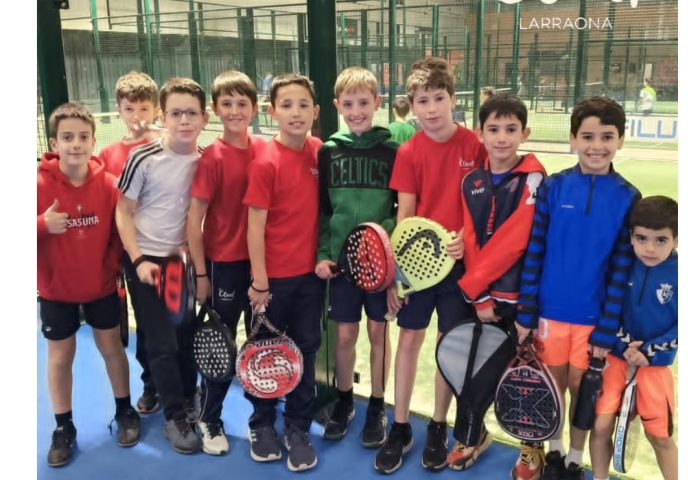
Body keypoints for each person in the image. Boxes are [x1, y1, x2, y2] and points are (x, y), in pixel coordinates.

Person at [514, 96, 641, 480]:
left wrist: (606, 328)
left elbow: (622, 269)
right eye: (587, 137)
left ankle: (573, 459)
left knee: (581, 391)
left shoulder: (628, 196)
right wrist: (526, 311)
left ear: (621, 140)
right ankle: (553, 454)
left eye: (607, 137)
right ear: (572, 139)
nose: (596, 146)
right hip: (549, 315)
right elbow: (535, 250)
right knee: (553, 388)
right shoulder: (554, 187)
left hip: (592, 321)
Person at [374, 56, 487, 474]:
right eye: (423, 101)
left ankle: (438, 426)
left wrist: (466, 238)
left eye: (439, 98)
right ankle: (400, 426)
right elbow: (405, 217)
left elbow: (485, 208)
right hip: (418, 267)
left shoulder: (475, 146)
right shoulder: (408, 152)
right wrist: (397, 275)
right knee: (409, 339)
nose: (432, 108)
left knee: (448, 346)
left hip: (460, 268)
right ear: (412, 106)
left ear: (454, 99)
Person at [38, 103, 140, 467]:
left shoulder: (110, 185)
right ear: (54, 143)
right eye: (67, 137)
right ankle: (63, 425)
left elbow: (117, 234)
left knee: (112, 348)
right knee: (60, 356)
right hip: (56, 291)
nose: (76, 144)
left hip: (100, 287)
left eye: (83, 137)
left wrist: (109, 270)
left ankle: (125, 410)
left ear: (94, 141)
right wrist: (41, 225)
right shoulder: (36, 184)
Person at [449, 94, 546, 471]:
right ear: (480, 134)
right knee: (473, 370)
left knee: (526, 377)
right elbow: (471, 239)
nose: (502, 137)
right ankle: (472, 436)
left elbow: (516, 240)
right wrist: (479, 296)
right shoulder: (471, 181)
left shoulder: (534, 177)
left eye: (511, 129)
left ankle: (531, 448)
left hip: (522, 298)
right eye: (493, 129)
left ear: (525, 133)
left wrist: (475, 285)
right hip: (481, 299)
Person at [115, 77, 210, 454]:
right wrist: (138, 260)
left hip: (180, 262)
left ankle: (187, 397)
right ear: (163, 117)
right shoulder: (143, 158)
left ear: (204, 118)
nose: (184, 120)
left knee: (184, 335)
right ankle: (174, 417)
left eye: (191, 113)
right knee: (160, 340)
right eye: (176, 113)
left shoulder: (206, 160)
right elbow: (123, 212)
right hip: (145, 261)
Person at [243, 73, 325, 472]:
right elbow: (254, 226)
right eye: (287, 105)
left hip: (310, 279)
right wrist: (260, 281)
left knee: (305, 351)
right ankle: (261, 424)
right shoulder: (265, 161)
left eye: (303, 104)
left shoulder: (319, 152)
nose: (296, 112)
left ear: (316, 111)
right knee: (266, 353)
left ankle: (297, 427)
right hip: (272, 282)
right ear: (271, 112)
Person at [314, 66, 398, 448]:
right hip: (342, 265)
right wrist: (324, 253)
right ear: (337, 106)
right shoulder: (329, 151)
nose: (356, 111)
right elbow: (324, 211)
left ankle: (377, 406)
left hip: (379, 265)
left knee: (378, 332)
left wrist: (381, 239)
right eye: (348, 104)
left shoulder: (393, 152)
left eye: (364, 102)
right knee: (345, 334)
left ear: (377, 102)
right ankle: (345, 401)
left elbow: (401, 208)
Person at [185, 70, 265, 456]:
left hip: (261, 265)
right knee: (222, 345)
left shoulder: (264, 150)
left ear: (255, 108)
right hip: (224, 266)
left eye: (242, 103)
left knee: (260, 340)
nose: (235, 111)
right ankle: (209, 417)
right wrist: (202, 273)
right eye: (227, 104)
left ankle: (261, 419)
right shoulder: (212, 158)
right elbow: (193, 222)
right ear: (215, 110)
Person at [590, 196, 678, 480]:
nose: (650, 248)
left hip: (654, 368)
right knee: (601, 426)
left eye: (661, 240)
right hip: (615, 360)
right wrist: (624, 344)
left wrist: (648, 351)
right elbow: (605, 307)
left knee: (660, 437)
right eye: (641, 238)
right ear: (631, 237)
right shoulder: (620, 265)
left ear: (676, 240)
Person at [98, 70, 162, 415]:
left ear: (156, 110)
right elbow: (108, 210)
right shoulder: (108, 155)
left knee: (179, 321)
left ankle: (184, 387)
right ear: (119, 110)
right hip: (133, 255)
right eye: (129, 109)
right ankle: (152, 383)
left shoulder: (169, 146)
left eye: (144, 109)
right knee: (147, 322)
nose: (137, 117)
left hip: (172, 251)